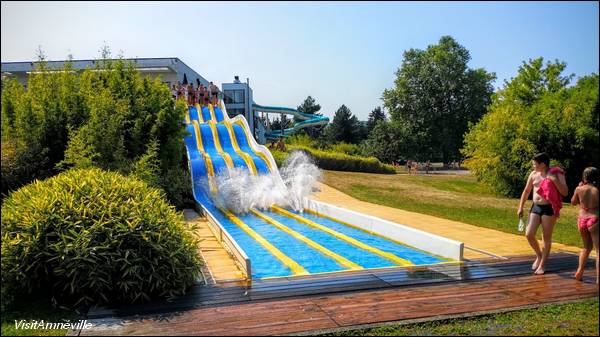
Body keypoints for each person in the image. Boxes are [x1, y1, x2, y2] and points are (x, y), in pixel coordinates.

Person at [517, 153, 568, 275]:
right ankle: (539, 255)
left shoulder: (556, 174)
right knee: (529, 234)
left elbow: (565, 192)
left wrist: (554, 180)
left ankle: (543, 264)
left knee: (546, 237)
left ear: (543, 164)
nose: (533, 166)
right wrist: (521, 207)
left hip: (549, 208)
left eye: (535, 164)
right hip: (536, 207)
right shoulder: (533, 174)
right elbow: (527, 190)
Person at [571, 167, 599, 284]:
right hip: (594, 218)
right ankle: (598, 278)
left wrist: (578, 188)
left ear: (584, 177)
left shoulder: (579, 189)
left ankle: (579, 271)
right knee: (598, 250)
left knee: (586, 247)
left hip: (582, 219)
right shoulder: (596, 190)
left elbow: (573, 202)